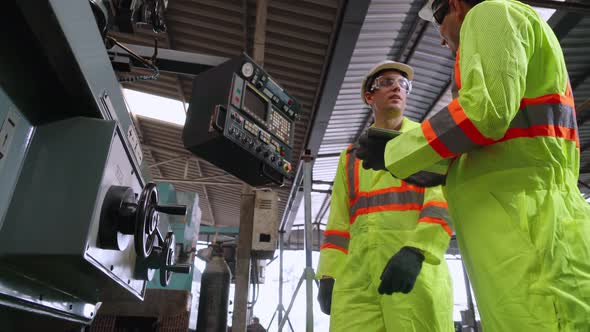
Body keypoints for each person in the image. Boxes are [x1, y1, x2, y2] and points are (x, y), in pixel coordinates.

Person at [356, 0, 590, 330]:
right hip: (521, 228)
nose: (439, 38)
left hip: (529, 233)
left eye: (438, 20)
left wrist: (399, 151)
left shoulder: (490, 12)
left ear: (455, 4)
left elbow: (486, 110)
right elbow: (487, 146)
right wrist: (419, 166)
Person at [316, 60, 454, 332]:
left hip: (413, 273)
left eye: (403, 84)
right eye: (387, 83)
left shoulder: (426, 139)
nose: (397, 88)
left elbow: (442, 201)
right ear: (370, 96)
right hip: (357, 280)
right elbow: (338, 225)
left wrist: (418, 251)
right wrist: (328, 274)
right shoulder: (351, 158)